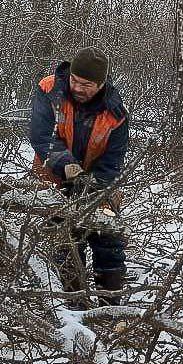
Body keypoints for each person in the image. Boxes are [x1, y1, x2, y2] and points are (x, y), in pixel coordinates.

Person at [29, 46, 129, 307]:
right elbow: (41, 136)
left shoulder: (116, 114)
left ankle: (110, 306)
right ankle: (73, 306)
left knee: (108, 234)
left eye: (86, 84)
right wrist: (68, 168)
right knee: (63, 237)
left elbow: (112, 161)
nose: (78, 87)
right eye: (75, 80)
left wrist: (94, 187)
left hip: (97, 181)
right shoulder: (49, 89)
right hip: (50, 174)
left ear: (100, 84)